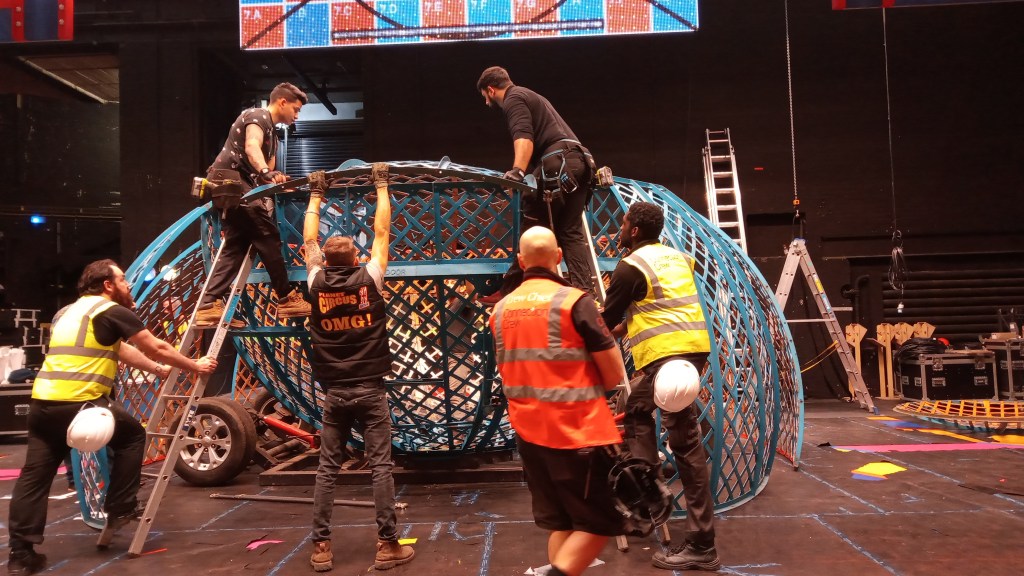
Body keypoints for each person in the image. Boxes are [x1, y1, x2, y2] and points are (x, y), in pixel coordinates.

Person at [7, 259, 217, 575]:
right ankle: (121, 506)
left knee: (33, 479)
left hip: (43, 406)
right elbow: (157, 346)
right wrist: (194, 366)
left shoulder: (70, 312)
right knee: (133, 436)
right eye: (123, 279)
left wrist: (157, 370)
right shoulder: (112, 311)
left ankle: (21, 555)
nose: (128, 284)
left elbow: (120, 350)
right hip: (81, 404)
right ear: (108, 284)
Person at [489, 226, 627, 576]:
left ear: (521, 261)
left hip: (530, 436)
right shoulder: (574, 302)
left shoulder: (500, 311)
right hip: (578, 434)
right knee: (600, 523)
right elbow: (613, 375)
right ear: (560, 257)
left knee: (561, 523)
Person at [301, 165, 414, 572]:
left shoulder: (315, 282)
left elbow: (308, 240)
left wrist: (316, 193)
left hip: (335, 392)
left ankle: (321, 547)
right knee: (380, 467)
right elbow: (382, 232)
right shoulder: (370, 277)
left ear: (326, 260)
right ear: (355, 257)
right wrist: (382, 185)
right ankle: (387, 544)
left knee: (326, 470)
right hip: (370, 389)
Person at [599, 202, 720, 571]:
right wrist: (629, 324)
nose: (620, 230)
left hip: (665, 358)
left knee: (645, 418)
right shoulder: (679, 259)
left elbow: (605, 321)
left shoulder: (630, 266)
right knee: (675, 435)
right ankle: (656, 487)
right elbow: (660, 303)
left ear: (634, 230)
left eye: (623, 224)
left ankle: (654, 494)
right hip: (692, 355)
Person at [476, 66, 598, 303]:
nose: (486, 102)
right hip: (581, 162)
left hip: (558, 163)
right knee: (570, 232)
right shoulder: (533, 96)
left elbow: (523, 136)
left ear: (490, 90)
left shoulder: (513, 98)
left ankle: (510, 289)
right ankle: (586, 293)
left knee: (532, 226)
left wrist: (517, 171)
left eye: (485, 96)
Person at [195, 82, 311, 327]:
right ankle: (286, 297)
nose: (297, 116)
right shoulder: (257, 116)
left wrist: (274, 177)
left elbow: (264, 171)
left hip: (239, 186)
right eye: (296, 109)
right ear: (282, 102)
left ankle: (208, 305)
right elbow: (251, 147)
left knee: (236, 246)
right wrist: (266, 171)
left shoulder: (274, 136)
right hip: (231, 182)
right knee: (267, 235)